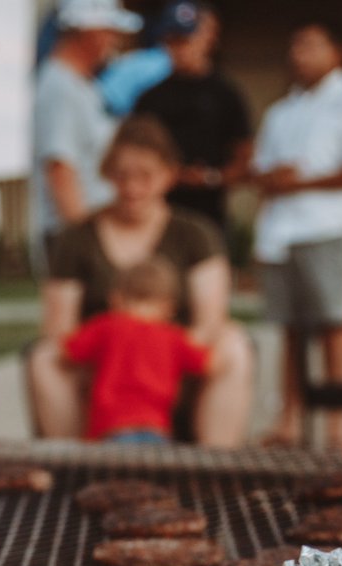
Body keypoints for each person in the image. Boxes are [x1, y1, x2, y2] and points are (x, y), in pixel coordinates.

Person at [29, 116, 252, 446]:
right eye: (122, 175)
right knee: (44, 357)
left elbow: (210, 321)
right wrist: (116, 357)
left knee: (235, 345)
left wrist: (154, 362)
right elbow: (59, 328)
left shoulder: (195, 233)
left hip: (175, 366)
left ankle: (213, 464)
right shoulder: (77, 238)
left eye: (145, 176)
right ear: (108, 174)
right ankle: (71, 466)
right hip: (99, 366)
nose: (132, 187)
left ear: (168, 174)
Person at [251, 18, 342, 449]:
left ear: (337, 52)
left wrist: (301, 183)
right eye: (296, 45)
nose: (299, 54)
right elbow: (263, 170)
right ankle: (290, 419)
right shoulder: (282, 109)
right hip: (282, 233)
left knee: (335, 326)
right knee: (290, 329)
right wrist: (273, 179)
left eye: (310, 45)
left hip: (330, 229)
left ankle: (335, 425)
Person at [32, 0, 143, 262]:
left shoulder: (81, 85)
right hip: (78, 237)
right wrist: (86, 245)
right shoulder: (60, 88)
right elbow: (60, 169)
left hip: (94, 231)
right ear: (90, 32)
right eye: (110, 30)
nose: (114, 39)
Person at [135, 2, 252, 237]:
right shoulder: (150, 98)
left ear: (206, 37)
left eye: (186, 39)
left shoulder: (225, 94)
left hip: (208, 216)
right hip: (157, 213)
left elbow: (245, 159)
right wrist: (169, 174)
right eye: (172, 40)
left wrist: (211, 178)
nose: (180, 48)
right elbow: (133, 152)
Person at [64, 257, 210, 441]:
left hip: (109, 425)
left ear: (115, 299)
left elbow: (69, 351)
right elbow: (206, 363)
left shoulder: (105, 326)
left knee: (112, 469)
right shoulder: (174, 337)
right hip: (156, 426)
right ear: (168, 307)